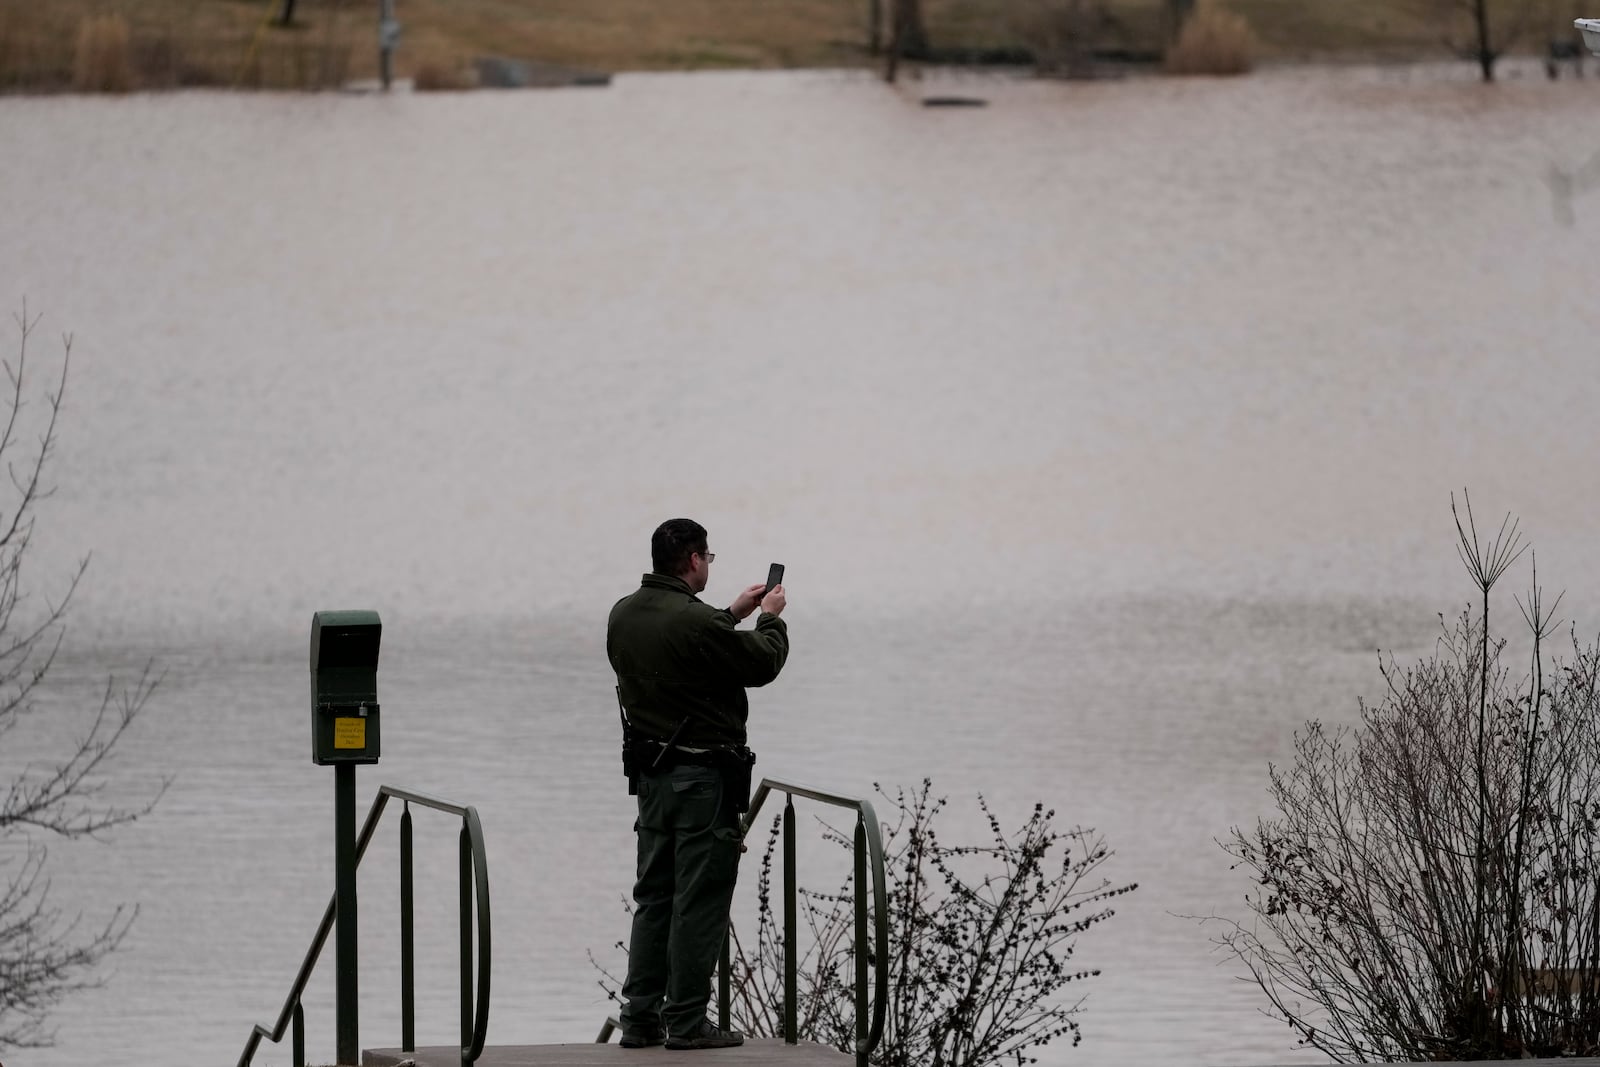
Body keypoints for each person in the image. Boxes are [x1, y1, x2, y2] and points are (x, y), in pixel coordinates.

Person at [607, 518, 789, 1051]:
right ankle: (685, 1021)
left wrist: (733, 613)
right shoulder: (695, 623)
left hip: (651, 779)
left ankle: (639, 1019)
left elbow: (686, 646)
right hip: (702, 782)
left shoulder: (624, 613)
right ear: (692, 560)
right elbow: (760, 663)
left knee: (654, 895)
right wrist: (770, 620)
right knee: (699, 901)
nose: (709, 564)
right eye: (707, 557)